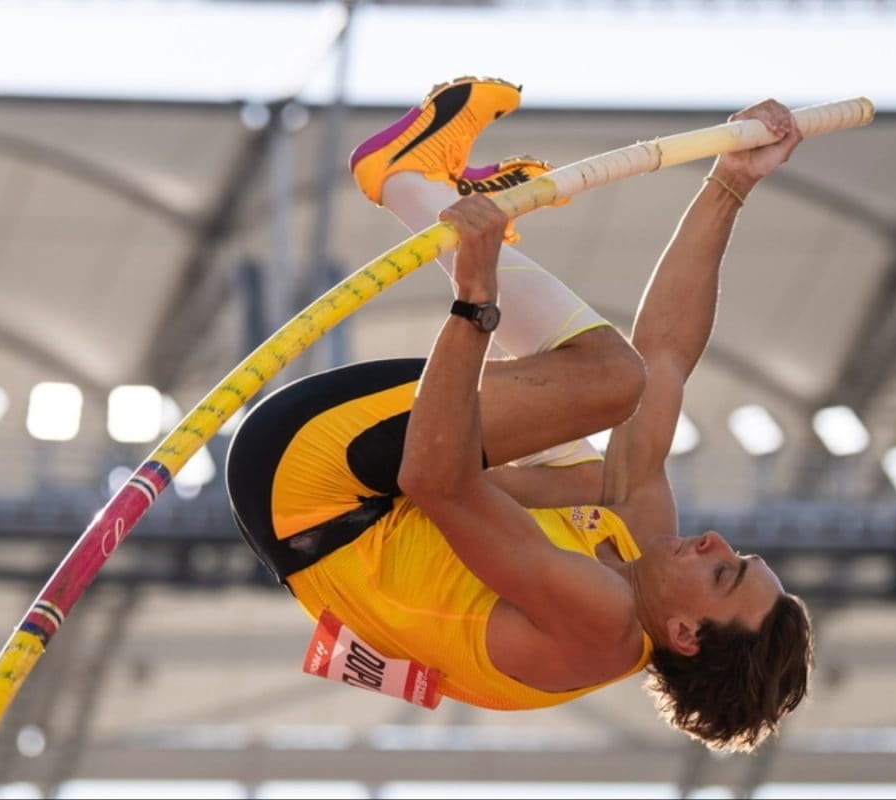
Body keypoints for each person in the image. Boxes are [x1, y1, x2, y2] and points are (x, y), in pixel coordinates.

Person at [226, 77, 812, 752]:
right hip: (379, 499)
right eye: (735, 554)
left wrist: (476, 300)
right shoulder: (642, 545)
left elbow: (436, 480)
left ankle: (408, 181)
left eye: (722, 573)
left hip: (310, 488)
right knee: (616, 427)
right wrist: (731, 183)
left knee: (609, 382)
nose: (714, 541)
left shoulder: (603, 629)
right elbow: (667, 355)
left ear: (684, 634)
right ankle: (430, 191)